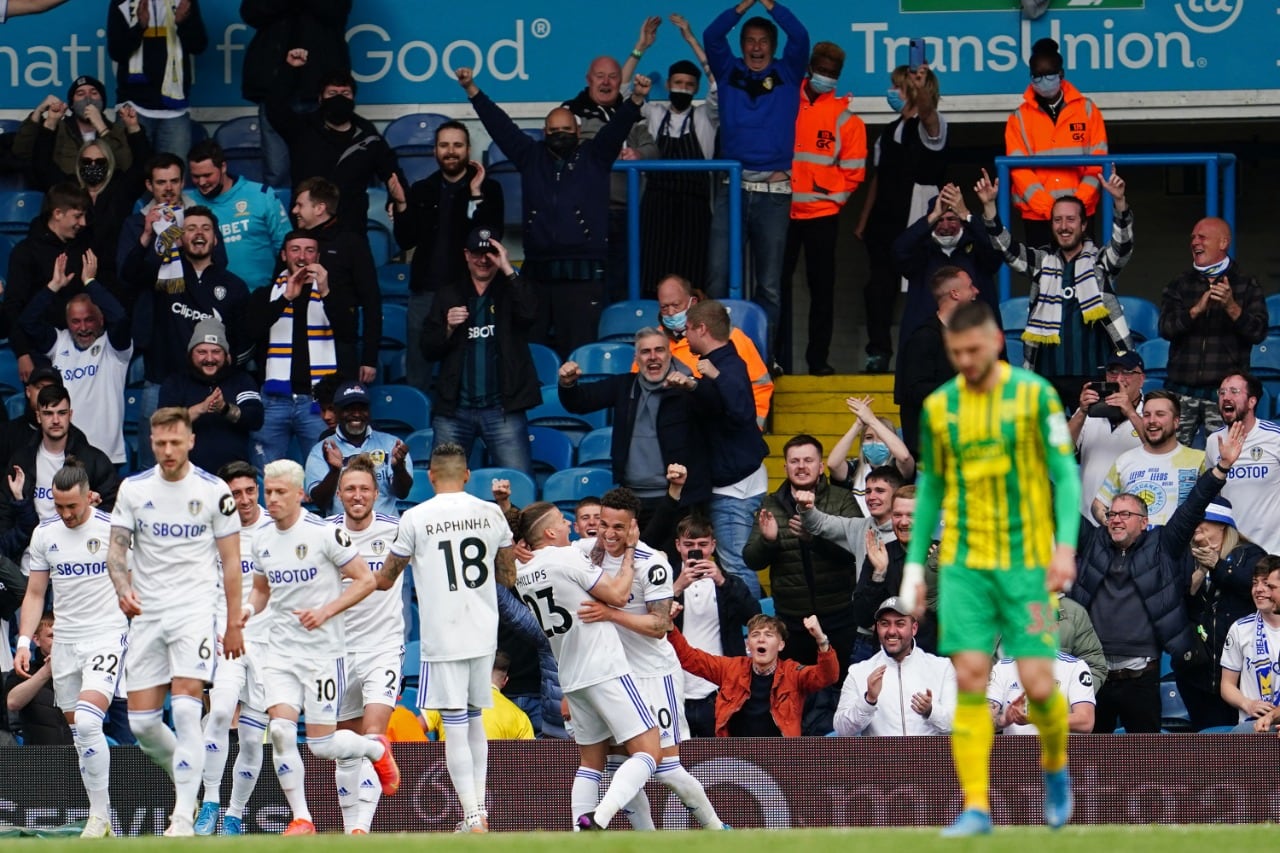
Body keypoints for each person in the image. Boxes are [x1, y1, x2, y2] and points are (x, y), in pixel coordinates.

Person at [900, 300, 1081, 836]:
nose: (966, 362)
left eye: (974, 351)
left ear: (997, 342)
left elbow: (1065, 476)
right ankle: (976, 807)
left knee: (1039, 683)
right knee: (972, 679)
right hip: (964, 565)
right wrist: (914, 564)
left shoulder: (1034, 395)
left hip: (1026, 564)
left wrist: (1065, 547)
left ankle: (1054, 767)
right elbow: (930, 485)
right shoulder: (939, 406)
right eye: (957, 354)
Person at [106, 407, 244, 836]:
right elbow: (116, 551)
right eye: (160, 443)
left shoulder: (214, 490)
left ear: (190, 441)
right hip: (147, 613)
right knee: (143, 724)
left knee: (186, 710)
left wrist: (234, 622)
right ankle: (189, 781)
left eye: (175, 442)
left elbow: (232, 562)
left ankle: (182, 815)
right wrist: (121, 585)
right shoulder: (133, 489)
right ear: (151, 442)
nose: (168, 450)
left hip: (194, 610)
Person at [243, 458, 398, 836]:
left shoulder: (325, 534)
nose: (272, 499)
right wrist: (245, 611)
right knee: (279, 731)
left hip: (325, 654)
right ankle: (303, 818)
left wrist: (326, 611)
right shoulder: (262, 537)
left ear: (299, 494)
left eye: (280, 492)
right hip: (280, 652)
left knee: (321, 745)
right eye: (269, 492)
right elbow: (261, 590)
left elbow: (367, 580)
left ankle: (375, 751)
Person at [457, 67, 652, 358]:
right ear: (544, 132)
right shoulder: (530, 155)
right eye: (553, 131)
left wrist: (635, 99)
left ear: (578, 132)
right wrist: (472, 89)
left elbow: (618, 127)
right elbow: (500, 125)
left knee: (579, 355)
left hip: (584, 276)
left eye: (566, 130)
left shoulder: (595, 155)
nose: (560, 135)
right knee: (533, 355)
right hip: (537, 274)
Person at [371, 442, 515, 833]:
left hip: (443, 635)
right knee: (473, 722)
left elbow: (386, 578)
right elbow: (508, 577)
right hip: (483, 632)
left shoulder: (415, 518)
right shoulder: (491, 513)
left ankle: (472, 815)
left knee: (454, 725)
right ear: (467, 474)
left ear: (430, 476)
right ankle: (479, 811)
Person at [1072, 422, 1245, 735]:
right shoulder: (1093, 541)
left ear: (1144, 521)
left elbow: (1193, 507)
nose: (1116, 519)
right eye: (1112, 514)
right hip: (1093, 673)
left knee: (1145, 766)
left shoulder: (1163, 544)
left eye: (1126, 514)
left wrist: (1221, 466)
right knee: (1089, 765)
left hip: (1140, 676)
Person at [574, 487, 725, 830]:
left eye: (618, 527)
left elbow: (660, 625)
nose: (609, 534)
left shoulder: (651, 562)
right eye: (603, 525)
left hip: (653, 674)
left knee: (665, 767)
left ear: (633, 527)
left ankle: (717, 830)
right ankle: (649, 840)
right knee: (616, 765)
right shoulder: (584, 553)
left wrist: (610, 614)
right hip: (613, 676)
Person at [513, 501, 660, 830]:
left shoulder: (522, 574)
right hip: (605, 668)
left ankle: (580, 836)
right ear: (549, 532)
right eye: (561, 521)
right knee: (650, 752)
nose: (568, 524)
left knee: (590, 763)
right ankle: (600, 816)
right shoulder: (565, 558)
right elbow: (619, 596)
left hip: (571, 677)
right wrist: (631, 550)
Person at [12, 463, 125, 836]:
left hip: (106, 635)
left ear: (87, 495)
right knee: (81, 734)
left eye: (72, 506)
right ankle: (101, 815)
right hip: (66, 642)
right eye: (59, 507)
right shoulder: (45, 535)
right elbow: (35, 593)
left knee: (91, 721)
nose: (66, 514)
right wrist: (25, 640)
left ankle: (100, 817)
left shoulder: (112, 529)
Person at [703, 0, 809, 361]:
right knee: (717, 279)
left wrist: (770, 5)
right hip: (731, 191)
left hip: (773, 194)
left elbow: (801, 35)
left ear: (773, 46)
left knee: (770, 287)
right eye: (750, 39)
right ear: (742, 44)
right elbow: (712, 35)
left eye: (764, 40)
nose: (757, 46)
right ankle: (715, 354)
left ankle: (766, 357)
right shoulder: (728, 69)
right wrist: (743, 6)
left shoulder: (790, 71)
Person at [976, 168, 1134, 407]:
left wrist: (1120, 202)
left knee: (1094, 443)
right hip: (1047, 376)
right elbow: (1007, 249)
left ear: (1083, 225)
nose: (1064, 226)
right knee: (1049, 443)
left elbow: (1122, 246)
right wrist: (989, 207)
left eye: (1071, 219)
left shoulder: (1100, 262)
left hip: (1095, 374)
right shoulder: (1041, 262)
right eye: (1057, 220)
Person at [122, 204, 251, 469]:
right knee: (154, 466)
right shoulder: (163, 274)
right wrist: (147, 235)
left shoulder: (234, 286)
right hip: (161, 382)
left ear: (216, 238)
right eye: (190, 228)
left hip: (211, 389)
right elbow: (129, 275)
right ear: (180, 236)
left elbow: (242, 342)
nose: (199, 234)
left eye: (206, 228)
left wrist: (226, 377)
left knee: (212, 464)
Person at [664, 299, 769, 598]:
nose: (684, 337)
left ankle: (754, 632)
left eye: (688, 330)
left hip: (736, 486)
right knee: (732, 561)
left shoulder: (727, 366)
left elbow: (741, 413)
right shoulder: (717, 365)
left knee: (736, 564)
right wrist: (694, 386)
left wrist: (714, 378)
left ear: (702, 328)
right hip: (731, 481)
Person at [390, 120, 503, 390]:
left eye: (457, 145)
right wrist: (403, 204)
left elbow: (487, 238)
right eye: (444, 145)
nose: (450, 151)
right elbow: (406, 240)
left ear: (468, 149)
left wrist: (475, 195)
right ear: (435, 151)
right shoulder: (421, 189)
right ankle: (422, 431)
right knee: (419, 371)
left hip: (468, 292)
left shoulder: (490, 189)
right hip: (424, 293)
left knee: (467, 370)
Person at [193, 461, 274, 837]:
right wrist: (216, 633)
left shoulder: (277, 530)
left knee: (253, 736)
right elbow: (206, 591)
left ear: (258, 490)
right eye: (235, 493)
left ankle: (235, 815)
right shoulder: (214, 532)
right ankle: (210, 800)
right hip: (229, 640)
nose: (243, 499)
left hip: (269, 645)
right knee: (221, 712)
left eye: (249, 491)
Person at [327, 454, 404, 835]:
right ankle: (348, 830)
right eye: (350, 489)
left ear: (376, 493)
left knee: (374, 734)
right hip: (336, 652)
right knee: (344, 745)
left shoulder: (398, 530)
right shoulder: (323, 533)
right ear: (339, 494)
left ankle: (362, 831)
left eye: (364, 489)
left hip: (382, 646)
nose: (358, 495)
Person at [421, 229, 539, 477]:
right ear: (466, 255)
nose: (484, 260)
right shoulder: (448, 294)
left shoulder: (511, 289)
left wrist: (508, 268)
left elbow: (530, 315)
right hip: (455, 410)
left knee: (519, 486)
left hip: (502, 409)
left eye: (491, 253)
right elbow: (427, 349)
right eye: (477, 253)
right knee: (443, 486)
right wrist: (448, 327)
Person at [854, 64, 947, 374]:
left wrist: (921, 91)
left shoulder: (931, 124)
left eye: (899, 87)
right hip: (884, 220)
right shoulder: (887, 130)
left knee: (923, 288)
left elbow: (929, 117)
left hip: (921, 215)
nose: (892, 92)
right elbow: (878, 178)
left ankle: (927, 356)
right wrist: (864, 220)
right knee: (878, 288)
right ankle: (878, 353)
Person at [780, 41, 865, 376]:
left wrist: (831, 197)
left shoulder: (846, 120)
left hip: (821, 217)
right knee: (775, 289)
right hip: (782, 213)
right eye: (822, 71)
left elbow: (854, 173)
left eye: (833, 74)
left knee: (822, 291)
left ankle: (818, 360)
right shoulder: (785, 104)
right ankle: (774, 356)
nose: (826, 77)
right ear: (810, 69)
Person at [560, 328, 709, 516]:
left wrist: (693, 387)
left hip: (680, 499)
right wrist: (567, 384)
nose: (653, 357)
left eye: (659, 350)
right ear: (636, 358)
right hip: (632, 500)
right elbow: (580, 402)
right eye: (645, 352)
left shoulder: (688, 387)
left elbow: (717, 409)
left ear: (670, 355)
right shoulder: (624, 385)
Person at [744, 434, 858, 664]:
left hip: (839, 615)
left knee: (839, 687)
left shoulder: (842, 498)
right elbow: (751, 560)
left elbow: (855, 550)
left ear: (820, 466)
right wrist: (768, 541)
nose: (802, 467)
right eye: (795, 461)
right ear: (785, 467)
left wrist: (813, 539)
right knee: (797, 691)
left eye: (808, 460)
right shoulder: (770, 504)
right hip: (792, 621)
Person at [626, 15, 718, 293]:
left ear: (696, 89)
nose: (683, 89)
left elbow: (719, 85)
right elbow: (620, 93)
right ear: (666, 85)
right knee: (650, 273)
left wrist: (691, 39)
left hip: (695, 211)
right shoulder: (653, 113)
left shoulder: (706, 117)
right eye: (678, 83)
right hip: (655, 207)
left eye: (690, 85)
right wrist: (641, 47)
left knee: (692, 278)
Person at [561, 54, 658, 304]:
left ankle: (620, 337)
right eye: (600, 76)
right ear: (588, 79)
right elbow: (560, 150)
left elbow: (652, 149)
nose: (606, 82)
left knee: (624, 285)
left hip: (628, 215)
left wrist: (638, 154)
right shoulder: (571, 112)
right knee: (587, 287)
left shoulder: (632, 116)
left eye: (613, 77)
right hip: (586, 214)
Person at [1160, 220, 1268, 445]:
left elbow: (1258, 332)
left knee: (1223, 459)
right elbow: (1165, 329)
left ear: (1223, 243)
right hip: (1181, 390)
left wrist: (1231, 306)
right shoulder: (1180, 284)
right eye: (1193, 238)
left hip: (1224, 394)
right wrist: (1196, 310)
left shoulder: (1246, 284)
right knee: (1171, 457)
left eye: (1202, 237)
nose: (1194, 242)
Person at [18, 254, 131, 465]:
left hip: (105, 455)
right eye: (76, 321)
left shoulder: (114, 348)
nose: (83, 327)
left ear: (101, 319)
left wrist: (91, 283)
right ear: (67, 323)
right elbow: (27, 322)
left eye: (89, 319)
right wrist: (53, 286)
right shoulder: (60, 342)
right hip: (63, 453)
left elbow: (121, 318)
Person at [270, 56, 399, 230]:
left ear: (353, 98)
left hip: (351, 229)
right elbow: (274, 108)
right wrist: (289, 70)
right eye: (332, 93)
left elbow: (391, 171)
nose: (339, 98)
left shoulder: (368, 135)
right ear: (320, 99)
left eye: (345, 94)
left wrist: (395, 199)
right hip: (307, 230)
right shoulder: (301, 127)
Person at [1004, 38, 1108, 250]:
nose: (1043, 80)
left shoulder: (1087, 110)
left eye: (1049, 74)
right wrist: (1051, 209)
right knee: (1044, 277)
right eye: (1037, 76)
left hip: (1082, 214)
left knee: (1085, 275)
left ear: (1061, 75)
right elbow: (1019, 172)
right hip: (1038, 216)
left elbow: (1098, 164)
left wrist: (1075, 208)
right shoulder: (1019, 118)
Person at [239, 1, 351, 188]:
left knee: (321, 174)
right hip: (275, 87)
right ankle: (278, 217)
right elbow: (250, 13)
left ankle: (319, 217)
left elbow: (336, 10)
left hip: (320, 86)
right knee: (277, 172)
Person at [670, 610, 835, 737]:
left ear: (781, 645)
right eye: (755, 635)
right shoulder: (730, 668)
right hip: (737, 759)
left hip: (780, 758)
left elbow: (827, 676)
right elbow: (689, 658)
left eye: (769, 635)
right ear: (748, 645)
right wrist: (669, 627)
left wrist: (821, 639)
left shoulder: (793, 673)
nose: (761, 639)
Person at [248, 231, 336, 467]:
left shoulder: (332, 294)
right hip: (274, 400)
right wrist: (286, 297)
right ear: (284, 254)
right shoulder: (267, 295)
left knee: (327, 474)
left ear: (317, 256)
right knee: (266, 475)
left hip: (317, 401)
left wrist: (327, 292)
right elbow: (251, 332)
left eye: (309, 250)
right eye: (295, 249)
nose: (302, 256)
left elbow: (348, 332)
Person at [669, 513, 761, 737]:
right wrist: (677, 588)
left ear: (713, 545)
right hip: (675, 688)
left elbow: (754, 617)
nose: (696, 550)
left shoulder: (729, 582)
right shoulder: (665, 580)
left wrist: (722, 581)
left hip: (719, 690)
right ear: (678, 545)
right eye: (689, 545)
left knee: (719, 764)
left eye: (702, 545)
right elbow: (649, 621)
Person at [1182, 496, 1266, 729]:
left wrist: (1219, 567)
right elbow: (1174, 602)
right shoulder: (1185, 556)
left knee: (1238, 747)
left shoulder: (1249, 554)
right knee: (1207, 745)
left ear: (1221, 524)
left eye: (1203, 519)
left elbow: (1257, 590)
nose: (1196, 525)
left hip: (1239, 671)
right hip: (1197, 671)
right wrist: (1198, 573)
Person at [892, 185, 1004, 353]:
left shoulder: (977, 247)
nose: (945, 226)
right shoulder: (921, 250)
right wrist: (931, 217)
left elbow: (998, 249)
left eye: (952, 219)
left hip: (974, 342)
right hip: (927, 345)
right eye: (939, 220)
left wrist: (967, 214)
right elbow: (898, 250)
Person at [290, 177, 381, 384]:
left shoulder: (351, 243)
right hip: (298, 344)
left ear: (320, 208)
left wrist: (369, 358)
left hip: (340, 345)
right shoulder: (293, 243)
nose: (295, 211)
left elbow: (371, 302)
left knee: (336, 413)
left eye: (300, 205)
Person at [654, 275, 774, 428]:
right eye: (664, 307)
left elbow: (759, 385)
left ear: (693, 302)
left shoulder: (731, 337)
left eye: (676, 305)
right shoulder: (654, 342)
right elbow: (641, 386)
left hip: (725, 435)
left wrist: (751, 429)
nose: (670, 312)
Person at [4, 183, 94, 383]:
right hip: (39, 350)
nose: (84, 223)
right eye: (78, 216)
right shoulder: (25, 251)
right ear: (58, 213)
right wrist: (22, 353)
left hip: (79, 346)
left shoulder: (82, 246)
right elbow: (13, 307)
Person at [0, 383, 119, 530]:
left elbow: (112, 506)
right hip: (30, 547)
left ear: (70, 415)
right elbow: (5, 511)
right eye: (48, 413)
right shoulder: (21, 460)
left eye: (62, 413)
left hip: (77, 544)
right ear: (38, 416)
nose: (56, 420)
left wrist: (89, 516)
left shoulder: (94, 460)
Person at [834, 596, 955, 737]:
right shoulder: (859, 672)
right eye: (885, 624)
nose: (891, 631)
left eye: (900, 624)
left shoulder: (941, 668)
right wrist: (868, 701)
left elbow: (956, 725)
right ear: (877, 627)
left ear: (914, 628)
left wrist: (931, 711)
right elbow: (842, 730)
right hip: (880, 758)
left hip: (926, 758)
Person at [159, 318, 262, 476]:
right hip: (186, 476)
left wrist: (225, 409)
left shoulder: (241, 380)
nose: (209, 359)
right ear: (191, 354)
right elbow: (164, 424)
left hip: (233, 478)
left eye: (216, 352)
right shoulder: (175, 382)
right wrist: (201, 408)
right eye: (202, 352)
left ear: (226, 355)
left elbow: (256, 418)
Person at [895, 266, 980, 457]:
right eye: (970, 286)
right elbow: (915, 390)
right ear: (955, 293)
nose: (976, 291)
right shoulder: (924, 337)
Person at [106, 0, 207, 158]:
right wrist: (139, 27)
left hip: (175, 111)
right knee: (127, 175)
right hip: (132, 108)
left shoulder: (184, 2)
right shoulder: (122, 3)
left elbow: (198, 46)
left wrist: (183, 23)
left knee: (173, 177)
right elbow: (116, 52)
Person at [186, 140, 291, 287]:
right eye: (196, 176)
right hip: (211, 301)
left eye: (207, 175)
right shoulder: (188, 204)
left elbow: (286, 246)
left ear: (223, 167)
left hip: (262, 297)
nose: (202, 182)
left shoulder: (261, 195)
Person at [1093, 391, 1205, 528]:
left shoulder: (1199, 460)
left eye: (1160, 414)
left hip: (1178, 546)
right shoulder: (1125, 460)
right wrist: (1111, 524)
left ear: (1176, 422)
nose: (1152, 420)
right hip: (1132, 548)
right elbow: (1099, 503)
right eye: (1146, 415)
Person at [304, 381, 411, 518]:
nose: (356, 414)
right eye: (349, 409)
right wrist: (334, 471)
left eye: (362, 408)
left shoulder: (391, 444)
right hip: (341, 532)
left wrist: (399, 468)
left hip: (386, 529)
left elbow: (402, 493)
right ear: (337, 411)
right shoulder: (321, 450)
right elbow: (320, 502)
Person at [1203, 374, 1280, 553]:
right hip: (1233, 550)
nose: (1226, 397)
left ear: (1252, 402)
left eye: (1234, 391)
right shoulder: (1214, 441)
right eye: (1221, 392)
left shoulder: (1275, 437)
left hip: (1273, 550)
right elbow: (1213, 492)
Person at [12, 78, 137, 186]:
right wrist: (38, 112)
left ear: (103, 101)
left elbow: (126, 166)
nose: (88, 98)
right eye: (80, 94)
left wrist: (101, 127)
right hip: (66, 195)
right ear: (71, 104)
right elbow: (22, 152)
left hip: (106, 197)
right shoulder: (57, 128)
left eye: (94, 93)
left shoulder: (117, 130)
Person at [1070, 349, 1146, 526]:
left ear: (1141, 379)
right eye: (1113, 372)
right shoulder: (1088, 412)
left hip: (1133, 524)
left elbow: (1159, 447)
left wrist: (1130, 412)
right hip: (1088, 519)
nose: (1119, 379)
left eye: (1127, 372)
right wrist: (1081, 412)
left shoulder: (1150, 411)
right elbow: (1061, 449)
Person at [798, 464, 902, 586]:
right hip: (865, 603)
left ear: (896, 495)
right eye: (868, 491)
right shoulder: (858, 527)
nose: (872, 497)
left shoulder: (909, 532)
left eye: (880, 491)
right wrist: (806, 508)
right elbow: (819, 523)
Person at [825, 395, 914, 516]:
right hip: (857, 531)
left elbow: (905, 457)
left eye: (881, 438)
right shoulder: (854, 469)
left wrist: (871, 420)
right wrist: (858, 425)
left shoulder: (898, 469)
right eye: (868, 438)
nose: (874, 443)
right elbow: (832, 464)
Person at [1220, 557, 1280, 732]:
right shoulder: (1240, 629)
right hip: (1253, 725)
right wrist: (1248, 704)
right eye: (1255, 583)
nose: (1259, 589)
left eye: (1268, 585)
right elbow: (1226, 685)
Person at [4, 613, 72, 745]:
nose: (58, 641)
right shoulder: (23, 671)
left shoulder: (80, 671)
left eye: (62, 635)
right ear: (36, 639)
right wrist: (46, 671)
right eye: (51, 636)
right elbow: (12, 703)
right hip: (39, 757)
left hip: (78, 755)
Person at [988, 652, 1095, 735]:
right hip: (1017, 756)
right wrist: (1004, 720)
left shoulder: (1075, 666)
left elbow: (1086, 722)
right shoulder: (1002, 667)